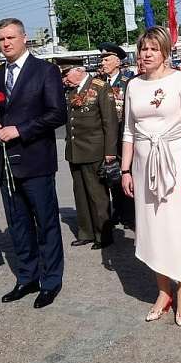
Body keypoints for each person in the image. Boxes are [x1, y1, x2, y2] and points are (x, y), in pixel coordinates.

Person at [121, 26, 181, 327]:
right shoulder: (133, 85)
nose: (146, 54)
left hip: (174, 166)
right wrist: (125, 169)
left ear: (165, 52)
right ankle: (162, 291)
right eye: (143, 48)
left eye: (153, 49)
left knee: (174, 229)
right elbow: (129, 130)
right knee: (151, 230)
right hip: (143, 168)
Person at [0, 18, 67, 309]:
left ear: (24, 38)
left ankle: (51, 280)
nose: (5, 43)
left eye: (10, 38)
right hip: (7, 163)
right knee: (18, 225)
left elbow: (58, 114)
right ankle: (27, 277)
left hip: (36, 161)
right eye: (1, 39)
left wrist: (21, 129)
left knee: (45, 224)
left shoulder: (45, 71)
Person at [62, 63, 118, 249]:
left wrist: (110, 151)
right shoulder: (70, 91)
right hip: (75, 150)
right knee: (81, 194)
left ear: (78, 71)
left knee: (97, 195)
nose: (64, 79)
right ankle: (86, 232)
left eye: (66, 73)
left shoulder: (99, 87)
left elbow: (109, 122)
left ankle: (103, 234)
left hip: (95, 149)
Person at [97, 42, 134, 229]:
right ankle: (117, 211)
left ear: (117, 61)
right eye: (101, 59)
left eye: (106, 59)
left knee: (126, 175)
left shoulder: (128, 82)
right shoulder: (98, 83)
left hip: (123, 137)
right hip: (104, 137)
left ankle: (130, 213)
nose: (102, 62)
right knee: (111, 177)